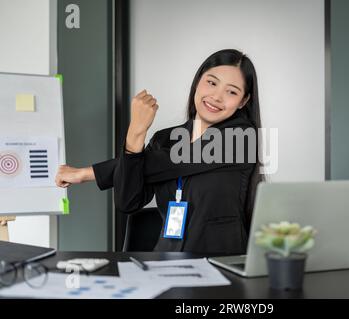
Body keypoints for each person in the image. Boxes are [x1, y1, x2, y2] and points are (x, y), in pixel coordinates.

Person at [55, 49, 263, 254]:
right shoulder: (165, 140)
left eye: (232, 91)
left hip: (221, 264)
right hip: (168, 261)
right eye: (211, 82)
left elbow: (170, 161)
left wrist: (84, 173)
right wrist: (136, 133)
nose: (217, 97)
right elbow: (128, 201)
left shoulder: (242, 138)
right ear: (198, 81)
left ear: (243, 101)